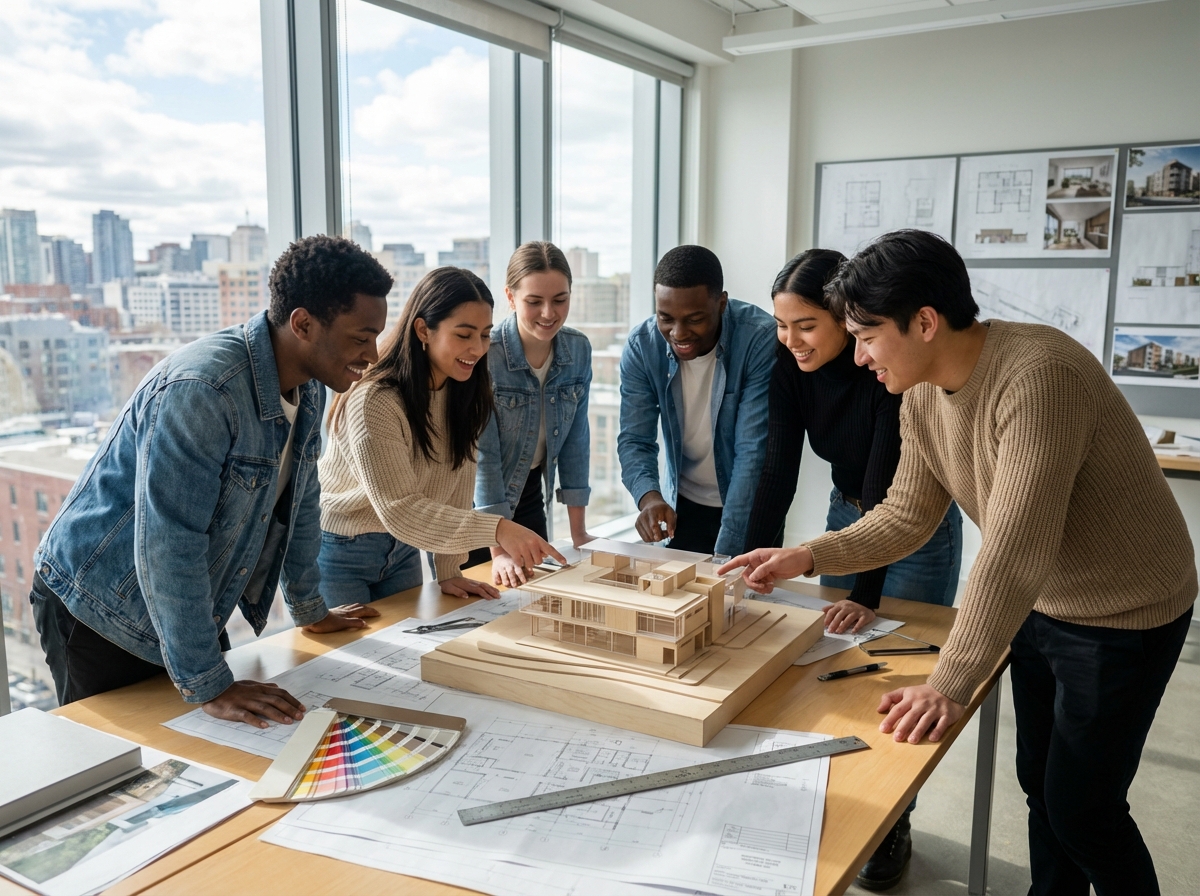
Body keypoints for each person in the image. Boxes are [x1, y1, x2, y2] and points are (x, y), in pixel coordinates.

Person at [720, 230, 1196, 896]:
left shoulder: (1039, 379)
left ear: (924, 322)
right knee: (1041, 785)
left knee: (1084, 808)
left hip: (1127, 609)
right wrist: (807, 553)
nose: (857, 357)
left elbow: (1012, 551)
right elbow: (907, 513)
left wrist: (950, 681)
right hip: (1044, 600)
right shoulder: (918, 393)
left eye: (866, 336)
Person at [31, 234, 390, 728]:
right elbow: (169, 542)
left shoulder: (309, 387)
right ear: (303, 323)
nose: (372, 354)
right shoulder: (203, 390)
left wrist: (310, 608)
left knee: (209, 737)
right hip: (97, 610)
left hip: (184, 603)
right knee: (127, 765)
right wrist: (208, 683)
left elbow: (301, 503)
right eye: (360, 337)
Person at [744, 247, 964, 891]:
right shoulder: (789, 366)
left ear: (845, 318)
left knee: (900, 677)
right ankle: (849, 806)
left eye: (806, 326)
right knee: (840, 676)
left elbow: (886, 486)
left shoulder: (889, 369)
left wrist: (866, 594)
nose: (792, 341)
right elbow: (775, 470)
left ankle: (893, 824)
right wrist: (751, 569)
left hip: (914, 522)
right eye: (782, 327)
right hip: (847, 518)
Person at [318, 266, 566, 605]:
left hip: (405, 547)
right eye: (463, 335)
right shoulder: (375, 401)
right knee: (349, 658)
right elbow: (400, 508)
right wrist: (498, 529)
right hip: (342, 552)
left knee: (407, 652)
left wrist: (450, 569)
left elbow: (458, 482)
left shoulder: (462, 389)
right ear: (423, 330)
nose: (478, 349)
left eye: (484, 334)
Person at [618, 244, 775, 556]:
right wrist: (650, 497)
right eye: (666, 317)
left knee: (743, 600)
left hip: (749, 507)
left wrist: (725, 556)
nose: (678, 333)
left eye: (694, 319)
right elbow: (635, 439)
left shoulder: (758, 338)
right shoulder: (641, 347)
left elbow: (751, 453)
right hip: (681, 506)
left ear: (721, 303)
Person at [467, 242, 593, 587]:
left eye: (560, 299)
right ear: (510, 297)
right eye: (534, 302)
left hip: (527, 496)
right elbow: (484, 455)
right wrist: (498, 549)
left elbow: (576, 442)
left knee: (532, 597)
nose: (549, 313)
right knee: (481, 610)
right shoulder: (487, 354)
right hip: (475, 509)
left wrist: (579, 533)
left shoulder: (578, 350)